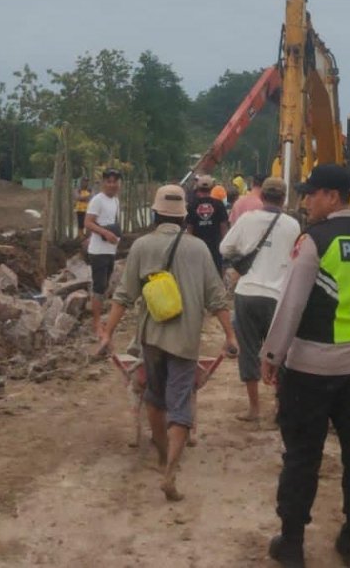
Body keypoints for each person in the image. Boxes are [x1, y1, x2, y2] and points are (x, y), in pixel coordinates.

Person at [260, 164, 350, 568]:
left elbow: (292, 304)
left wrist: (272, 356)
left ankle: (292, 544)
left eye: (312, 194)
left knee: (303, 454)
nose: (306, 201)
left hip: (310, 369)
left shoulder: (315, 241)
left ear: (332, 197)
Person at [98, 184, 240, 502]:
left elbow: (123, 296)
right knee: (180, 402)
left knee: (154, 397)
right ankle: (170, 471)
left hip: (151, 337)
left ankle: (161, 455)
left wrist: (107, 332)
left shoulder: (141, 247)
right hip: (186, 338)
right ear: (183, 216)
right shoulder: (199, 249)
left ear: (155, 213)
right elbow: (216, 298)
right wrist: (230, 336)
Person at [219, 177, 300, 422]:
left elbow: (224, 248)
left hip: (248, 294)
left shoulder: (247, 219)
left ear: (262, 197)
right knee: (280, 353)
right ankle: (280, 408)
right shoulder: (292, 225)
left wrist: (243, 257)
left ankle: (254, 409)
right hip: (278, 297)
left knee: (249, 351)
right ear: (284, 199)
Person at [84, 168, 122, 338]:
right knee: (99, 287)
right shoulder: (97, 201)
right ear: (103, 182)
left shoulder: (115, 201)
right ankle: (96, 323)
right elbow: (88, 223)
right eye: (109, 181)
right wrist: (105, 233)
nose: (112, 185)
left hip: (110, 249)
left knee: (105, 285)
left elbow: (112, 222)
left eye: (115, 181)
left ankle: (100, 317)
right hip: (98, 251)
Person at [186, 175, 229, 274]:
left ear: (197, 187)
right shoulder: (219, 204)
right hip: (215, 247)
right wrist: (224, 246)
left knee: (198, 274)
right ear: (212, 188)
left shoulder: (192, 205)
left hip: (197, 247)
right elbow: (224, 227)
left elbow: (189, 229)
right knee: (216, 275)